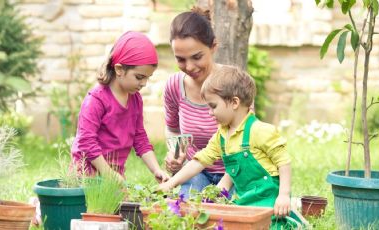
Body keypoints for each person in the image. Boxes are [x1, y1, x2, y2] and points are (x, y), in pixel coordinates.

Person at [160, 66, 301, 228]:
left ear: (234, 102)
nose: (209, 113)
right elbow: (199, 162)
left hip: (269, 200)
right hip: (244, 199)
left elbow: (284, 162)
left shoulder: (260, 130)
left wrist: (283, 196)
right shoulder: (221, 135)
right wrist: (170, 184)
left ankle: (292, 212)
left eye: (213, 106)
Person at [71, 31, 169, 183]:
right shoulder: (96, 100)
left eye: (147, 78)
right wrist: (108, 173)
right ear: (119, 69)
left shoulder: (135, 100)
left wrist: (156, 169)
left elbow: (140, 138)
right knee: (92, 208)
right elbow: (86, 142)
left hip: (114, 176)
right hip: (86, 176)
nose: (144, 83)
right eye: (139, 77)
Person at [163, 7, 226, 198]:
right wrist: (176, 154)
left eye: (197, 57)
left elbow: (247, 142)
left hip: (233, 173)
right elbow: (173, 129)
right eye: (180, 59)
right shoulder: (174, 86)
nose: (189, 67)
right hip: (195, 171)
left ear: (213, 47)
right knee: (188, 212)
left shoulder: (233, 84)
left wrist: (220, 191)